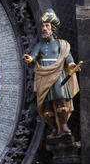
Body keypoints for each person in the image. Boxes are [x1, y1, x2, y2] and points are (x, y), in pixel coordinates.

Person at [22, 9, 80, 138]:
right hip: (43, 75)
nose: (44, 28)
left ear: (52, 28)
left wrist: (72, 65)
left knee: (61, 100)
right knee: (46, 104)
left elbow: (68, 58)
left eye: (47, 26)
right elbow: (33, 56)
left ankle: (63, 125)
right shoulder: (40, 45)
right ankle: (53, 128)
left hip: (58, 74)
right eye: (43, 26)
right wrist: (29, 58)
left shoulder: (61, 44)